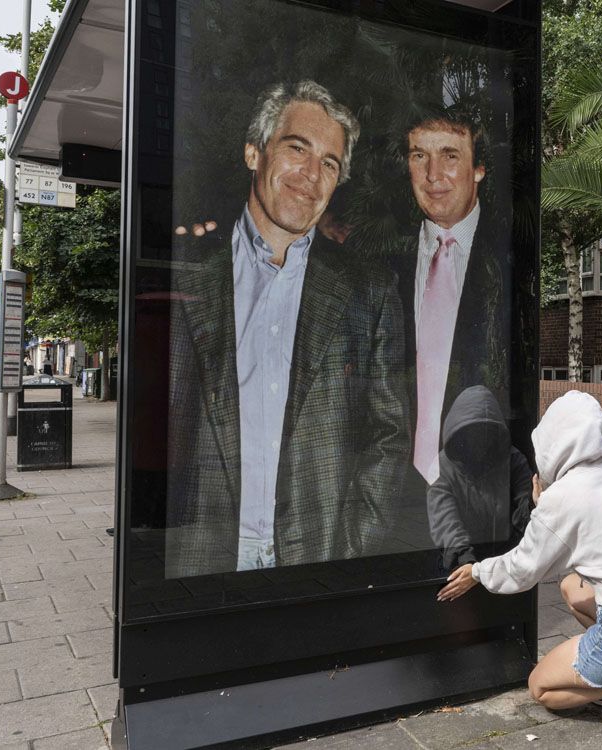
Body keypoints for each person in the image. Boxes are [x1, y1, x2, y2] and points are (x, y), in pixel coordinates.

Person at [165, 80, 410, 578]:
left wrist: (351, 551)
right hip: (201, 557)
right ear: (254, 152)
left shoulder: (369, 291)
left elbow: (387, 437)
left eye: (330, 163)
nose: (311, 175)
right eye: (297, 148)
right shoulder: (183, 271)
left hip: (317, 560)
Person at [438, 390, 602, 743]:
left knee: (541, 688)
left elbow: (523, 570)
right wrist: (547, 509)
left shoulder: (563, 498)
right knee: (572, 587)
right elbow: (598, 527)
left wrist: (477, 571)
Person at [391, 106, 510, 487]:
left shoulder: (508, 260)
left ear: (479, 169)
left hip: (480, 490)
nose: (432, 175)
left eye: (450, 156)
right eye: (419, 156)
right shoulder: (384, 264)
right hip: (397, 495)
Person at [426, 385, 532, 573]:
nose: (481, 438)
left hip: (505, 564)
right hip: (461, 563)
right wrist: (465, 561)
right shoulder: (442, 467)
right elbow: (445, 521)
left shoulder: (513, 460)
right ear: (461, 432)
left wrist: (533, 507)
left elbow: (526, 507)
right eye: (474, 430)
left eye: (487, 430)